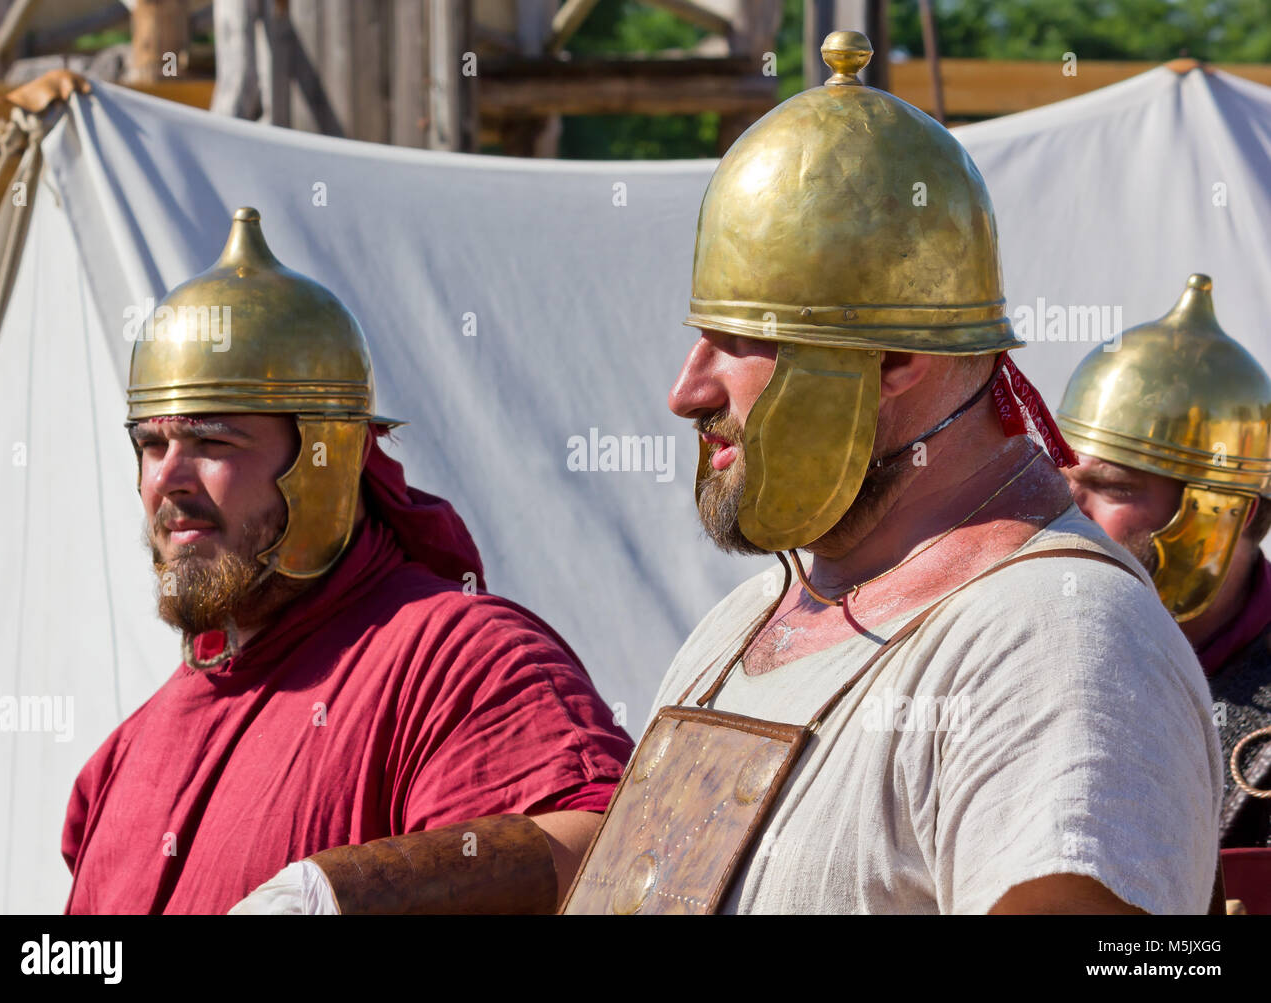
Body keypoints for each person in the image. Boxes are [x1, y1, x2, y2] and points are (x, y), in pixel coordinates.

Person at [560, 32, 1221, 915]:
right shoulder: (744, 623)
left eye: (747, 339)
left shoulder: (1060, 645)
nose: (686, 392)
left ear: (896, 356)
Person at [63, 207, 633, 915]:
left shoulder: (462, 662)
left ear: (326, 459)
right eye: (151, 446)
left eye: (212, 442)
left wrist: (352, 896)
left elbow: (610, 851)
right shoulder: (127, 754)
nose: (166, 481)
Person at [1057, 274, 1271, 868]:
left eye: (1114, 488)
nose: (1068, 515)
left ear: (1225, 515)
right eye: (1062, 482)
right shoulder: (1007, 649)